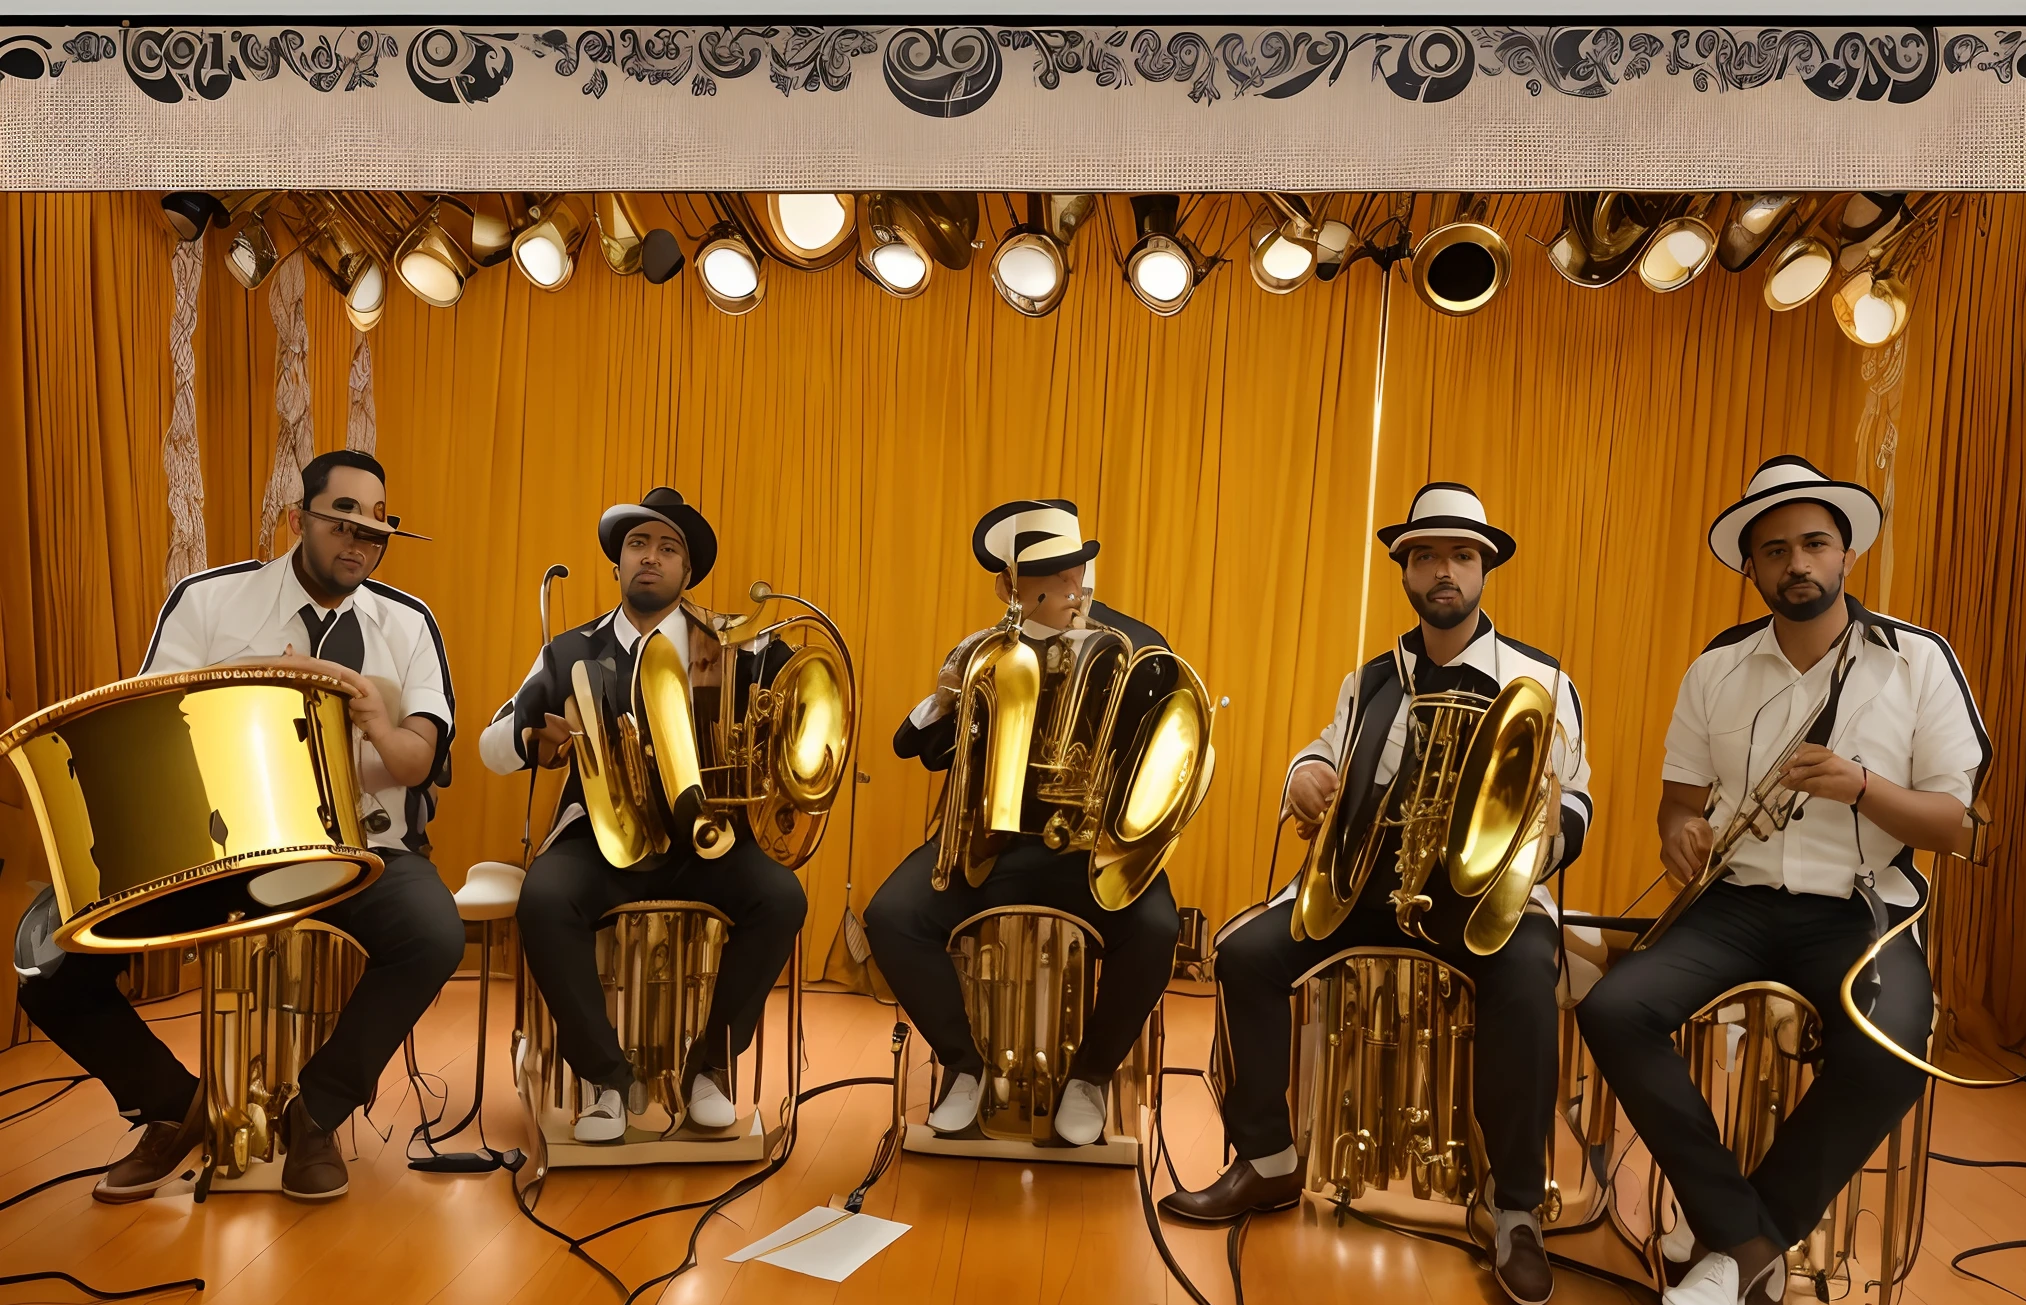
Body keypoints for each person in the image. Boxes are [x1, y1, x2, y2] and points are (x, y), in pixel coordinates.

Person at [1577, 454, 1987, 1305]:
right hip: (1735, 902)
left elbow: (1957, 827)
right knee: (1614, 1007)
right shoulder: (1716, 668)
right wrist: (1677, 834)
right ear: (1750, 568)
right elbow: (1678, 802)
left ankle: (1731, 1246)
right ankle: (1745, 1236)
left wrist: (1859, 784)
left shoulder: (1916, 661)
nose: (1796, 563)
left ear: (1846, 556)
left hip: (1861, 908)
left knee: (1892, 1048)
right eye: (1774, 551)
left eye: (1813, 544)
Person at [1161, 483, 1592, 1305]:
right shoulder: (1372, 678)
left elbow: (1576, 801)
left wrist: (1539, 845)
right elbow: (1321, 756)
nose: (1443, 571)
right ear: (1404, 569)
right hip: (1370, 879)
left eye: (1460, 556)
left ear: (1484, 568)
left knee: (1529, 988)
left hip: (1487, 889)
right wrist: (1307, 777)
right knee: (1245, 954)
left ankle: (1513, 1210)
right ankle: (1270, 1160)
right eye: (1425, 555)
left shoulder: (1540, 678)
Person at [16, 448, 463, 1202]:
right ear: (298, 519)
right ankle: (173, 1107)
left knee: (434, 934)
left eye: (374, 533)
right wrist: (252, 683)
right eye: (340, 523)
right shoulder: (208, 602)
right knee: (50, 967)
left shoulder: (408, 623)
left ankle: (313, 1116)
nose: (357, 544)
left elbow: (416, 762)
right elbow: (150, 736)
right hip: (219, 850)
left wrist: (377, 722)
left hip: (365, 849)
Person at [481, 488, 806, 1143]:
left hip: (704, 841)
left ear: (688, 572)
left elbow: (803, 713)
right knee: (542, 901)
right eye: (638, 545)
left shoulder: (734, 647)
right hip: (598, 841)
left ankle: (709, 1068)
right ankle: (606, 1080)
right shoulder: (571, 649)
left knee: (780, 898)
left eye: (668, 548)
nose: (650, 558)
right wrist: (533, 742)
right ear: (617, 563)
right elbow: (492, 747)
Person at [863, 499, 1183, 1148]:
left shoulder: (1136, 646)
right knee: (892, 916)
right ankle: (962, 1066)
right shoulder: (985, 649)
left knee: (1155, 929)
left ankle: (1091, 1076)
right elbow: (919, 748)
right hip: (990, 849)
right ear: (1012, 588)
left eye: (1077, 573)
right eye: (1056, 579)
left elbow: (1168, 753)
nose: (1076, 590)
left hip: (1093, 855)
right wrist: (947, 696)